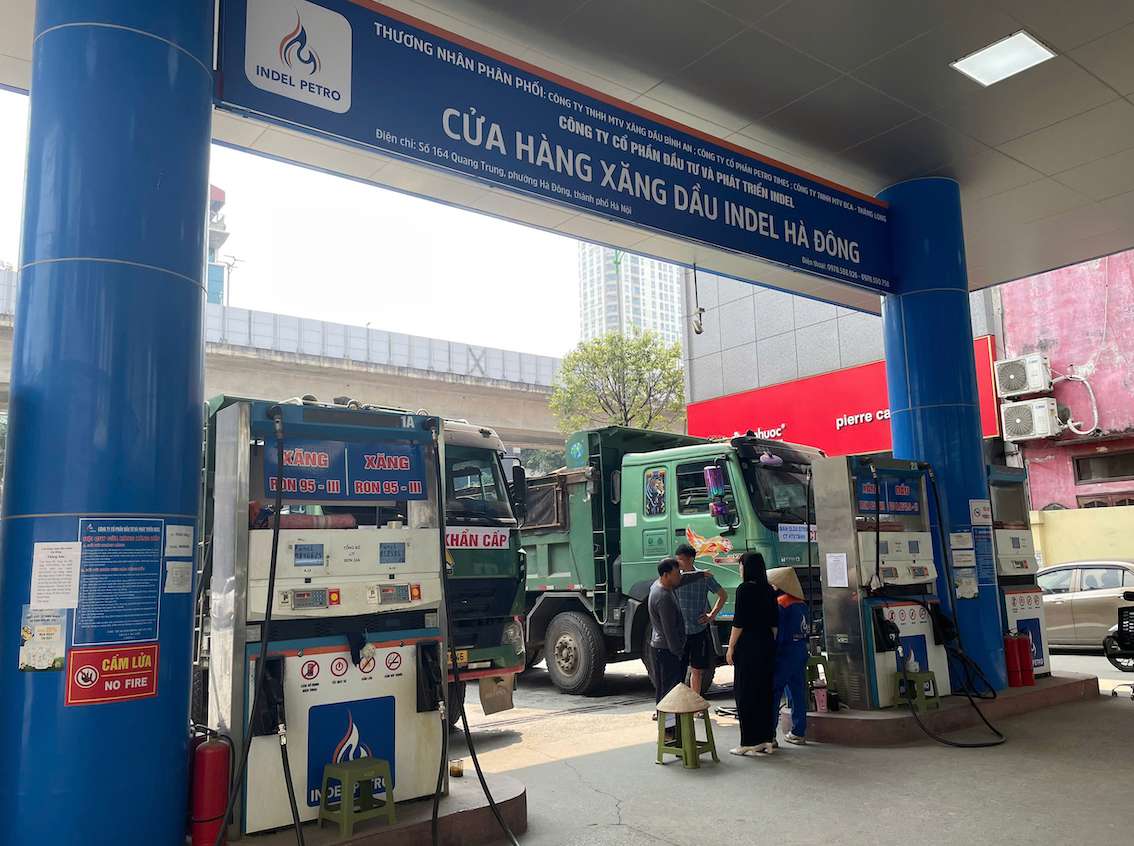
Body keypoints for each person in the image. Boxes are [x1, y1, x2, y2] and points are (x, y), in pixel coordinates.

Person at [725, 551, 778, 756]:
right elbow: (775, 625)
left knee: (745, 693)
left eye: (740, 565)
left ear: (747, 568)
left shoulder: (744, 589)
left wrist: (730, 648)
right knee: (764, 692)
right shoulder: (769, 590)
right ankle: (766, 739)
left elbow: (739, 623)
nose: (739, 569)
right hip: (766, 644)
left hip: (748, 646)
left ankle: (747, 742)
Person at [673, 542, 727, 695]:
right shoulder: (676, 577)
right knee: (678, 670)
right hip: (681, 632)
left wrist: (712, 615)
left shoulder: (704, 577)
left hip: (698, 629)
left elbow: (723, 595)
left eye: (680, 560)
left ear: (690, 560)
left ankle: (695, 704)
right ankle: (678, 705)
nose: (677, 563)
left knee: (697, 670)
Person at [768, 566, 809, 746]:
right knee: (797, 691)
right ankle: (799, 731)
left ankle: (770, 735)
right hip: (801, 649)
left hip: (785, 652)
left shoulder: (781, 604)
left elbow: (778, 632)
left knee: (775, 692)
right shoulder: (801, 603)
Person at [648, 558, 688, 733]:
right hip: (666, 649)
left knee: (665, 690)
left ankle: (668, 730)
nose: (680, 576)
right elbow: (669, 631)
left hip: (661, 647)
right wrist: (678, 652)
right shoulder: (663, 597)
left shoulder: (661, 586)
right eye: (677, 573)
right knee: (670, 693)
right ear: (666, 575)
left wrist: (701, 575)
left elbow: (684, 579)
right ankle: (670, 732)